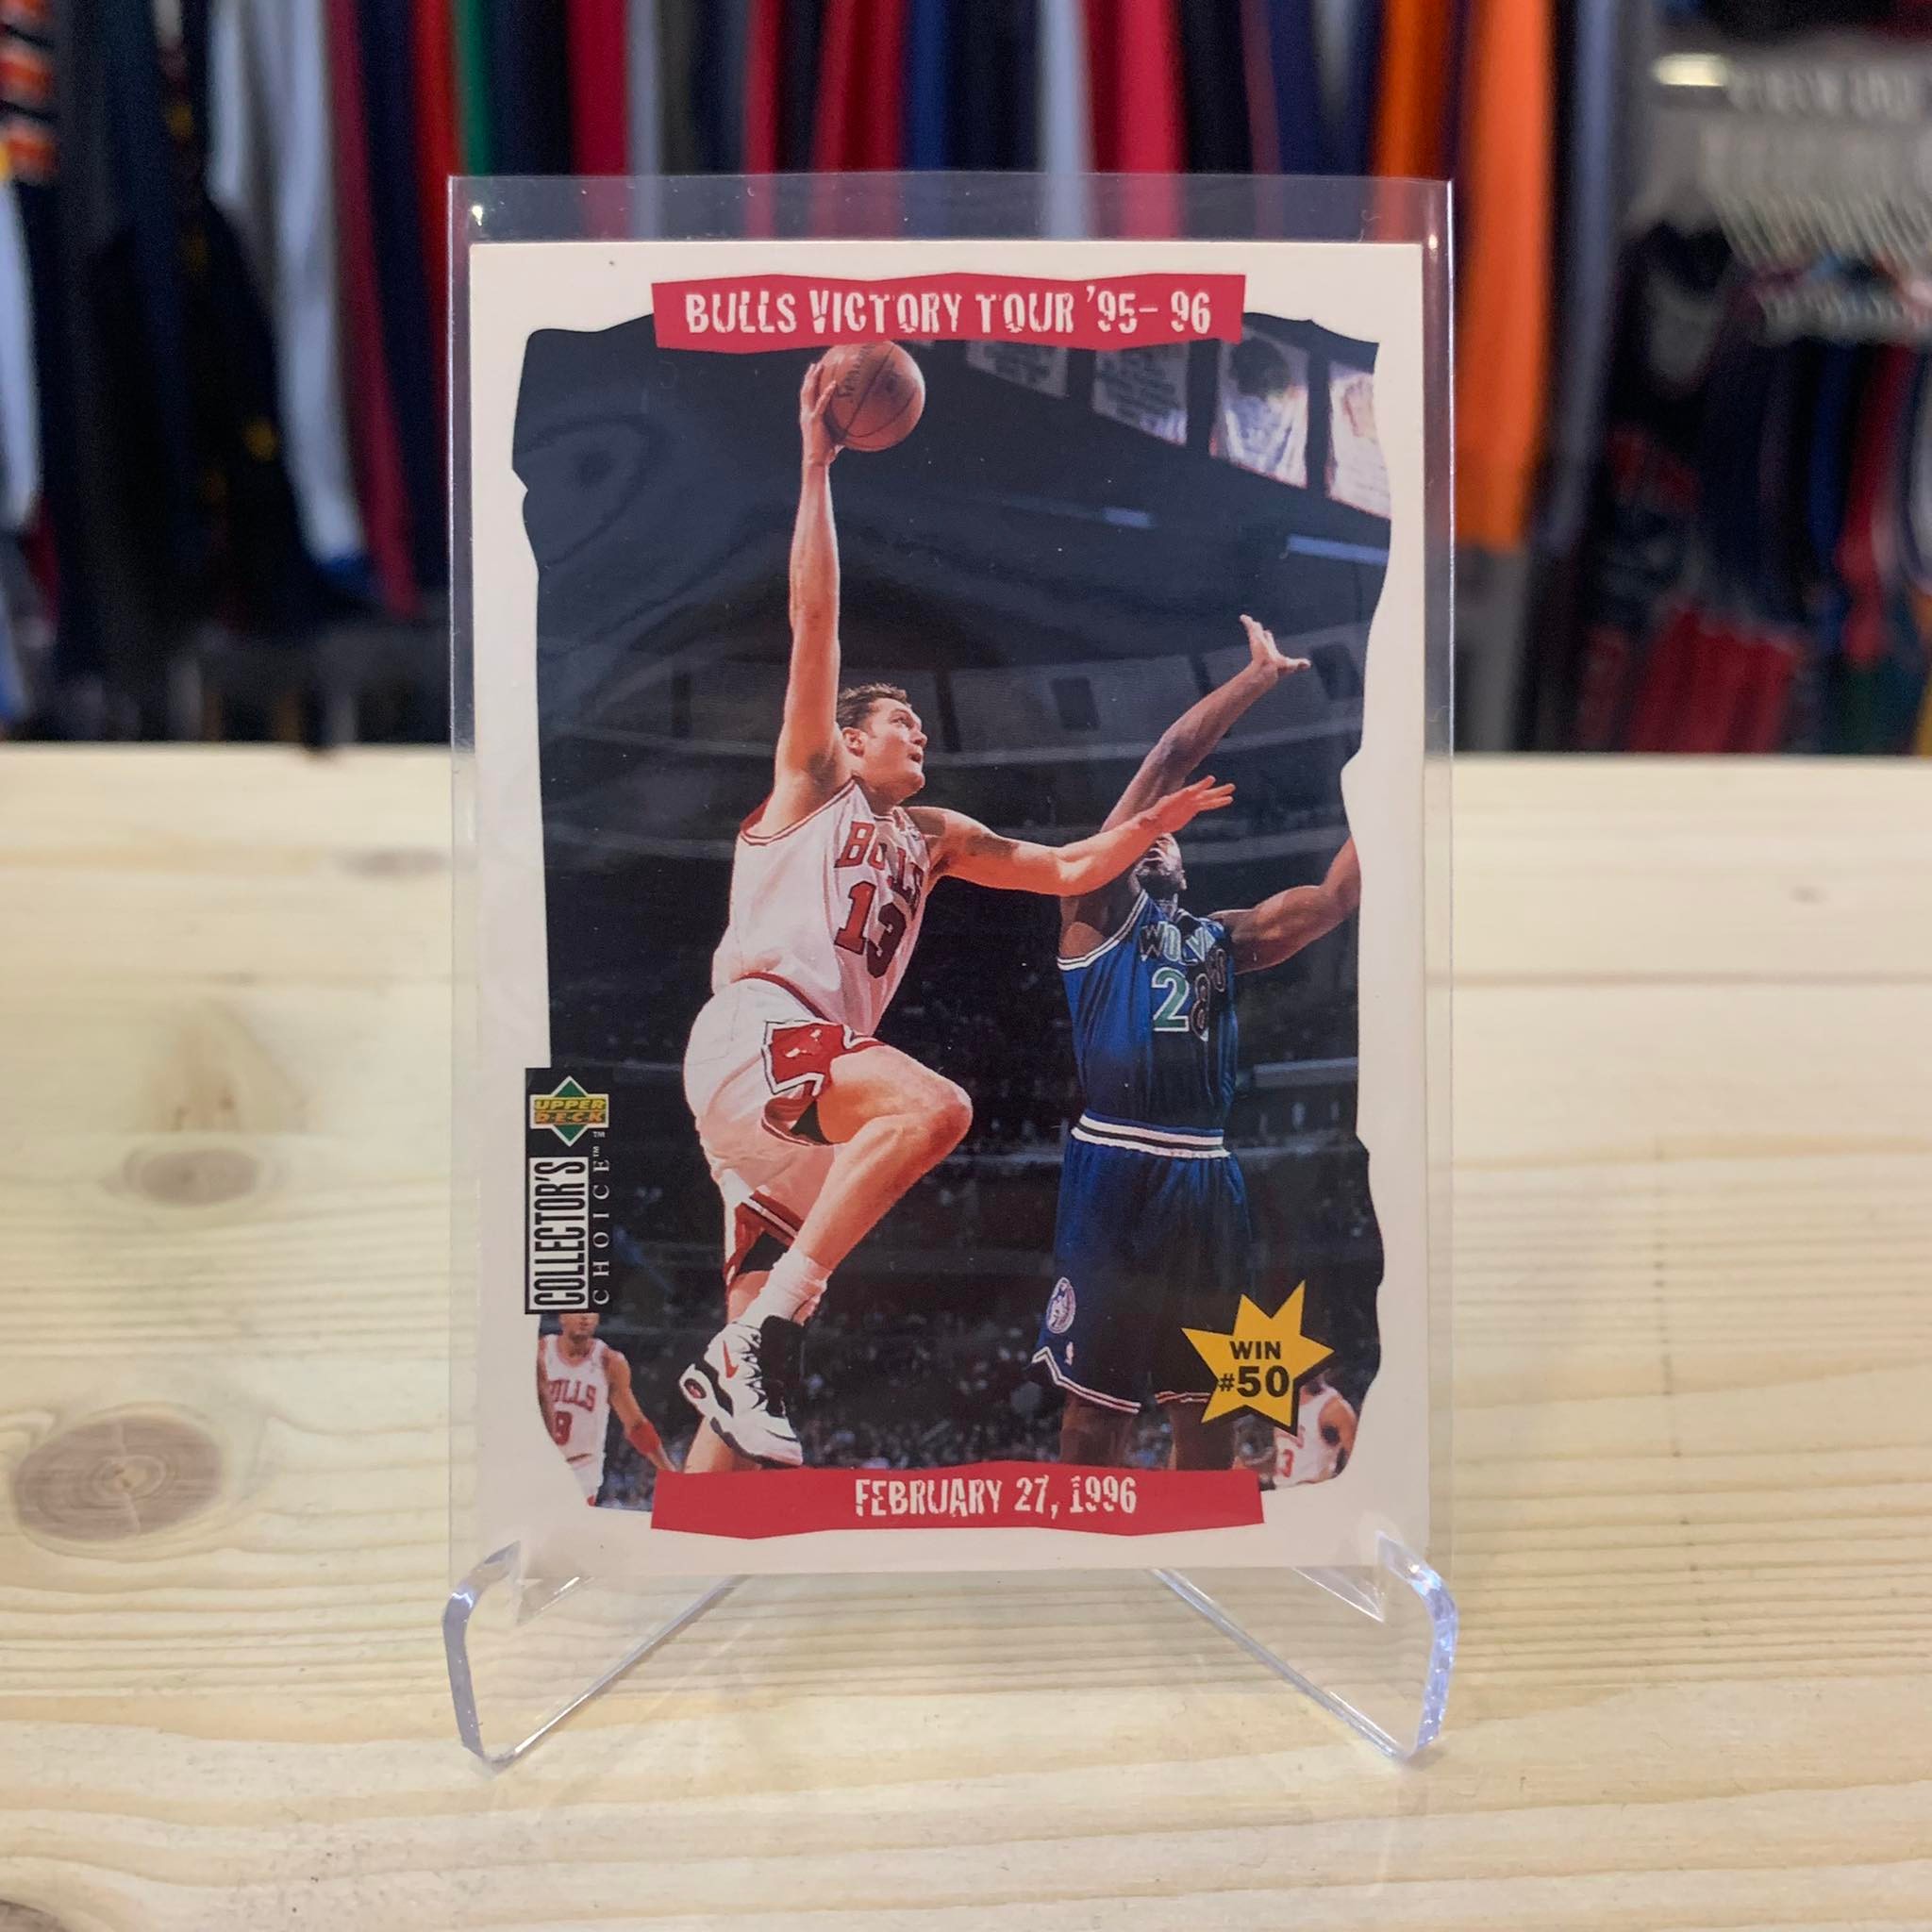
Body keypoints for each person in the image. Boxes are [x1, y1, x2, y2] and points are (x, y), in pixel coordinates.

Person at [679, 358, 1233, 1469]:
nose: (917, 733)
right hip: (758, 1031)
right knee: (933, 1106)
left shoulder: (932, 838)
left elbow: (1065, 865)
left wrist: (1146, 823)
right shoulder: (811, 782)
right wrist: (815, 466)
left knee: (742, 1379)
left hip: (796, 1084)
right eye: (899, 723)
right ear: (848, 742)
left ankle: (707, 1488)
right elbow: (813, 618)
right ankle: (767, 1336)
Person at [1034, 614, 1360, 1470]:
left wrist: (1394, 796)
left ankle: (1200, 1533)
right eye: (1144, 833)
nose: (1157, 838)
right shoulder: (1092, 915)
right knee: (1094, 1412)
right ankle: (1083, 1538)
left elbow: (1330, 900)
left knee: (1213, 1406)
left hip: (1207, 1174)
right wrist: (1256, 678)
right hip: (1118, 1161)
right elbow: (1169, 759)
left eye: (1170, 838)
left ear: (1185, 867)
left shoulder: (1224, 938)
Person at [536, 1312, 675, 1506]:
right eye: (579, 1311)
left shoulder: (609, 1362)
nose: (585, 1318)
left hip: (581, 1468)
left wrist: (669, 1470)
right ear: (562, 1317)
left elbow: (636, 1425)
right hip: (539, 1462)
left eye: (591, 1312)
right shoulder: (541, 1351)